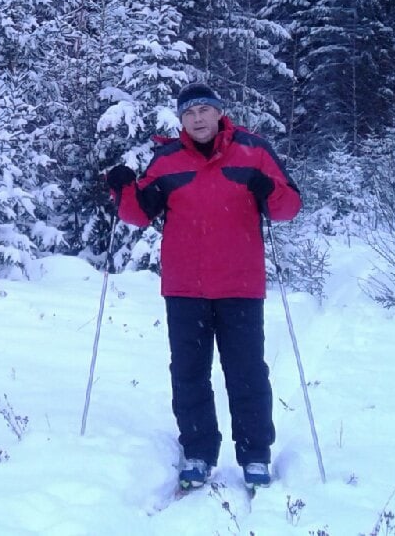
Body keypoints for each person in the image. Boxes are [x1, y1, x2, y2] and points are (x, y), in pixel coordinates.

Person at [105, 82, 302, 491]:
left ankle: (255, 456)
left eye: (204, 111)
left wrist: (271, 190)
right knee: (189, 373)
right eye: (189, 113)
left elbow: (288, 209)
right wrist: (122, 187)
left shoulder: (254, 152)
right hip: (185, 289)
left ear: (218, 113)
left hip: (240, 286)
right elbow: (140, 214)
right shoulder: (166, 161)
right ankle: (198, 451)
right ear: (181, 120)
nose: (197, 119)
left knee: (247, 373)